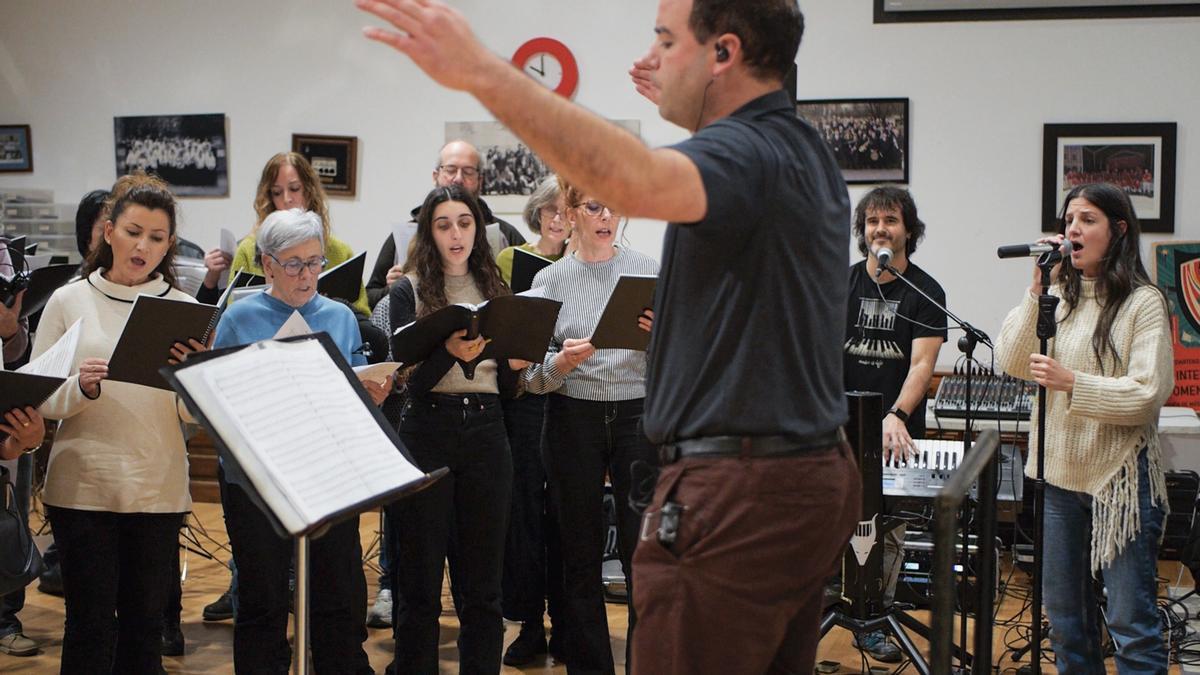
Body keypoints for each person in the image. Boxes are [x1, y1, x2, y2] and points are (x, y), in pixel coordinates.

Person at [358, 1, 860, 672]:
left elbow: (633, 177)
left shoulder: (747, 151)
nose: (651, 57)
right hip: (800, 474)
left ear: (724, 54)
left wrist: (481, 71)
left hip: (739, 493)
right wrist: (688, 100)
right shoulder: (796, 148)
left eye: (666, 39)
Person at [31, 173, 207, 674]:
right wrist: (80, 388)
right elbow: (40, 396)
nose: (142, 246)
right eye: (133, 232)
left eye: (156, 238)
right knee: (86, 625)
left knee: (143, 628)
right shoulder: (69, 300)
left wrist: (192, 377)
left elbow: (190, 416)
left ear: (169, 244)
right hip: (83, 484)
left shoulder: (186, 309)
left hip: (156, 485)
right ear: (108, 231)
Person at [997, 182, 1172, 673]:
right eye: (1069, 219)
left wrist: (1074, 382)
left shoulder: (1144, 302)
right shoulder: (1059, 298)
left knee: (1130, 621)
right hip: (1059, 480)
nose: (1073, 229)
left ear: (1118, 230)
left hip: (1121, 480)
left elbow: (1147, 392)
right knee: (1066, 620)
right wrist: (1037, 288)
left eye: (1087, 219)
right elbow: (1012, 360)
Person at [210, 207, 384, 675]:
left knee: (336, 593)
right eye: (294, 264)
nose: (307, 275)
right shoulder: (238, 318)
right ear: (267, 265)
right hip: (256, 476)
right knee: (264, 596)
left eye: (315, 262)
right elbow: (216, 400)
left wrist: (371, 393)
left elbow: (354, 391)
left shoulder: (340, 316)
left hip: (328, 473)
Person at [521, 178, 658, 674]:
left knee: (642, 553)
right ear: (570, 212)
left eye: (614, 207)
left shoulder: (649, 272)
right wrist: (559, 365)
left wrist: (659, 339)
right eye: (594, 207)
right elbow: (530, 384)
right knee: (577, 553)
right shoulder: (548, 284)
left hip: (637, 417)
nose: (606, 218)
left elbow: (683, 361)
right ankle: (590, 666)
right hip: (571, 418)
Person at [386, 185, 523, 673]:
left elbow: (507, 388)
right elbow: (408, 383)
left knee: (483, 585)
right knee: (419, 580)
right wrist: (448, 352)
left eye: (464, 222)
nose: (456, 233)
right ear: (430, 232)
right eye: (443, 224)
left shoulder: (496, 291)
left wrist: (515, 365)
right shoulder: (409, 289)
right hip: (428, 430)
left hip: (487, 432)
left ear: (478, 229)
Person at [841, 186, 946, 663]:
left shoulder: (925, 292)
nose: (880, 229)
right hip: (836, 429)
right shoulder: (839, 284)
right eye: (872, 221)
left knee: (889, 530)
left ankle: (876, 619)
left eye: (890, 220)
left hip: (894, 431)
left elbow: (922, 366)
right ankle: (828, 609)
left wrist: (896, 416)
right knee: (828, 522)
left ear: (909, 230)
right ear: (862, 231)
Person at [494, 175, 570, 666]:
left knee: (566, 515)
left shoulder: (588, 262)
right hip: (523, 394)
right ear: (539, 214)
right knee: (522, 515)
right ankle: (527, 624)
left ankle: (567, 622)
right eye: (552, 211)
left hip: (569, 393)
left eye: (568, 211)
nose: (560, 220)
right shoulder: (510, 259)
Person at [365, 140, 527, 308]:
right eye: (450, 170)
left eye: (468, 171)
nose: (458, 178)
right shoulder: (406, 234)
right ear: (436, 176)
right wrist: (394, 289)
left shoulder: (506, 234)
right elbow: (369, 296)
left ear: (480, 180)